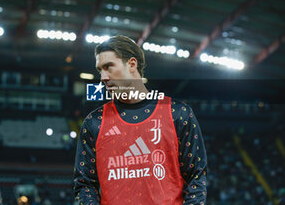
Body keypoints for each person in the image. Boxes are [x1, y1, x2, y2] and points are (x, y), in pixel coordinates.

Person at [74, 35, 207, 205]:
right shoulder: (94, 122)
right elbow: (85, 185)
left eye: (108, 67)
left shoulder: (178, 114)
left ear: (131, 64)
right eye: (100, 70)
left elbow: (196, 176)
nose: (103, 77)